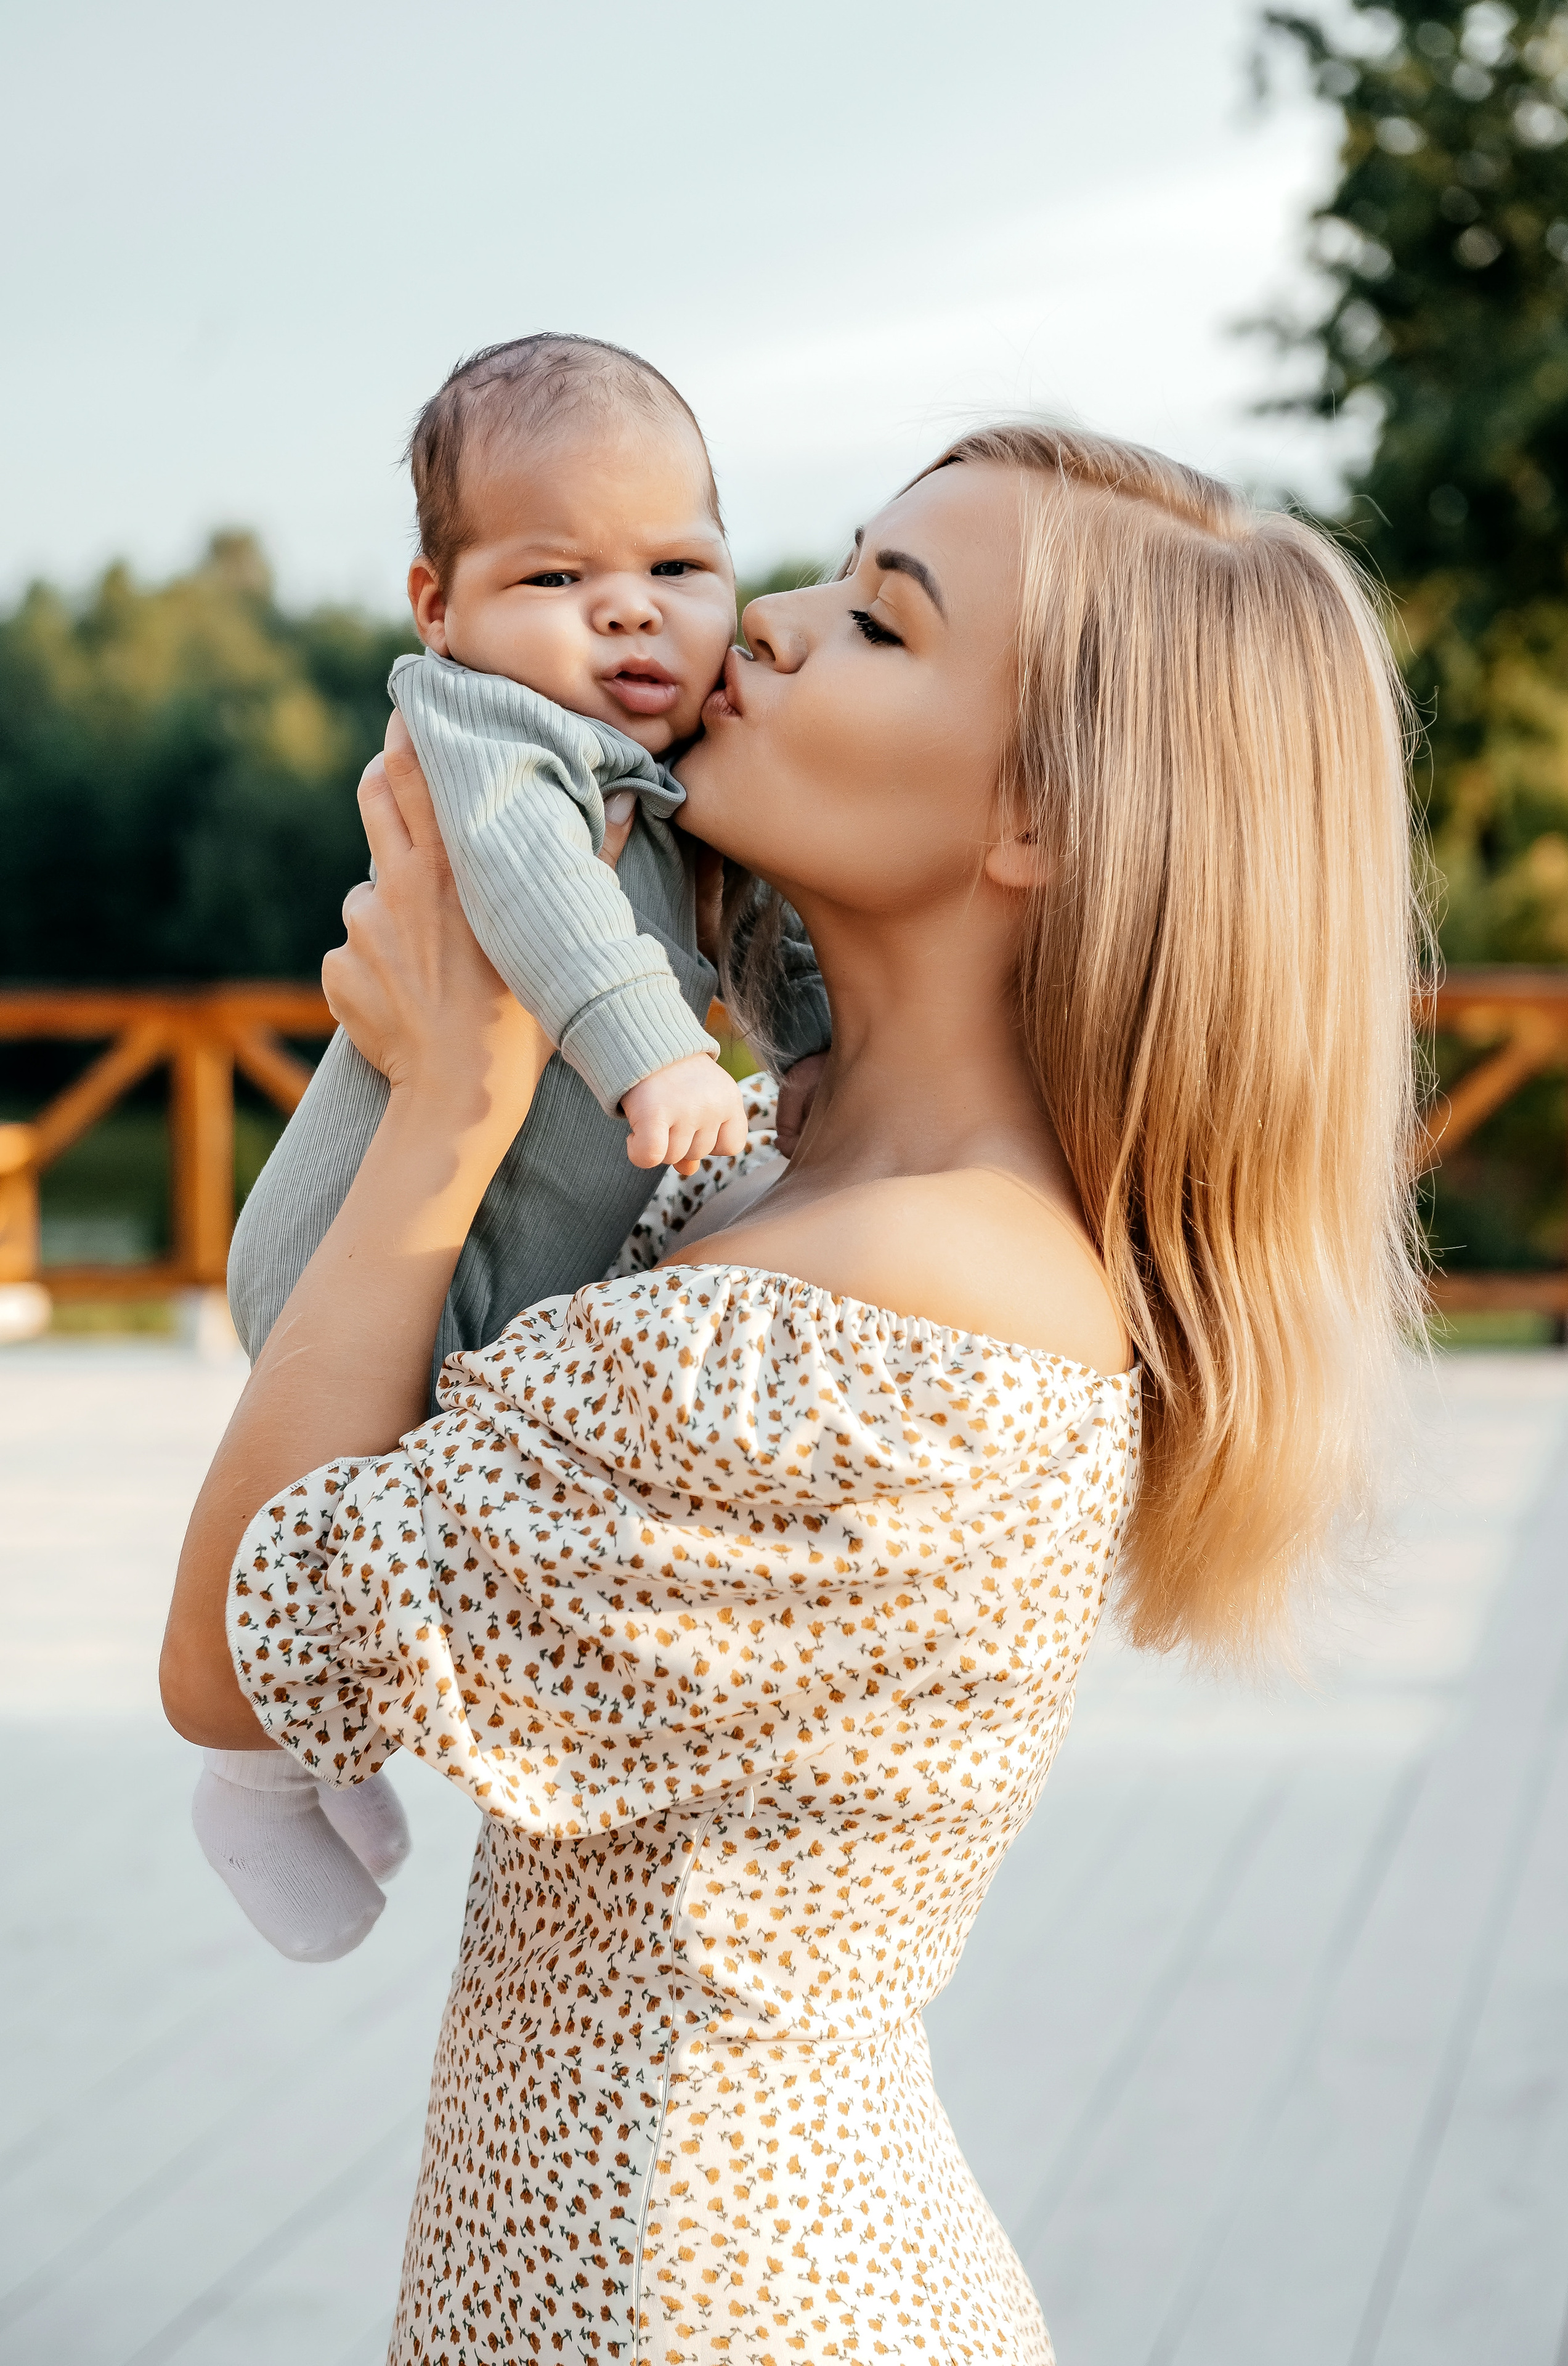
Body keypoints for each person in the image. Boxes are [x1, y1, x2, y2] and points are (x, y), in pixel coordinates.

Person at [161, 423, 1424, 2365]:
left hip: (707, 2305)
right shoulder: (778, 1179)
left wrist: (446, 1112)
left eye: (882, 624)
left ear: (1046, 817)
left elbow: (245, 1658)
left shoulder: (879, 1314)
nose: (763, 623)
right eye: (829, 572)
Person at [198, 334, 832, 1962]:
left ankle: (315, 1761)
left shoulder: (669, 767)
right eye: (557, 572)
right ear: (438, 608)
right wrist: (659, 1054)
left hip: (507, 1243)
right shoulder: (484, 731)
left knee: (416, 1528)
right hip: (369, 1236)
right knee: (332, 1512)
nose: (630, 611)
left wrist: (818, 1040)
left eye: (679, 565)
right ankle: (256, 1779)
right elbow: (533, 892)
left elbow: (747, 931)